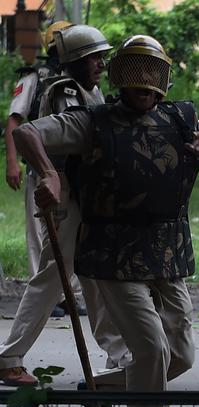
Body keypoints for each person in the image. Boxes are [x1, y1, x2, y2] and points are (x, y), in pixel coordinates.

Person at [13, 34, 199, 407]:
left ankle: (99, 391)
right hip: (112, 254)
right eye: (136, 74)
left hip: (167, 254)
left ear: (163, 79)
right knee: (150, 348)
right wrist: (50, 174)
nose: (145, 84)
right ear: (122, 77)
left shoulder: (183, 120)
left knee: (179, 356)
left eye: (152, 75)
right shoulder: (93, 120)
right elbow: (27, 132)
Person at [0, 24, 123, 388]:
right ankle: (9, 356)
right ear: (75, 61)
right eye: (93, 58)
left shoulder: (91, 90)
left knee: (93, 276)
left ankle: (119, 354)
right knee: (55, 276)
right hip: (65, 192)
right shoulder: (67, 92)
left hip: (83, 195)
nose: (101, 63)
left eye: (101, 56)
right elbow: (72, 136)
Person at [4, 20, 78, 318]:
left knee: (70, 231)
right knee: (40, 232)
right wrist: (12, 162)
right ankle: (44, 302)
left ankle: (67, 295)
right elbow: (14, 119)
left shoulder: (81, 78)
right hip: (40, 168)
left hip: (72, 172)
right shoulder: (36, 77)